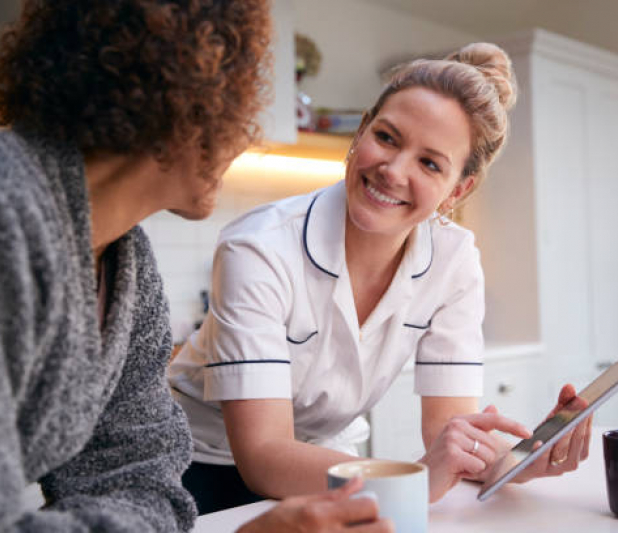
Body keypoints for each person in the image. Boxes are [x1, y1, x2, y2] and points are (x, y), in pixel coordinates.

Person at [0, 1, 392, 531]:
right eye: (237, 101)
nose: (243, 136)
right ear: (188, 103)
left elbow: (148, 481)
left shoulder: (127, 265)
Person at [168, 42, 593, 514]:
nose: (392, 171)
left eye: (430, 163)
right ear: (363, 128)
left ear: (459, 189)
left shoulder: (455, 260)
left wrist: (521, 459)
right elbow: (263, 456)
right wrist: (415, 479)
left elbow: (447, 433)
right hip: (197, 468)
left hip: (331, 462)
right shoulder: (259, 247)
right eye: (387, 137)